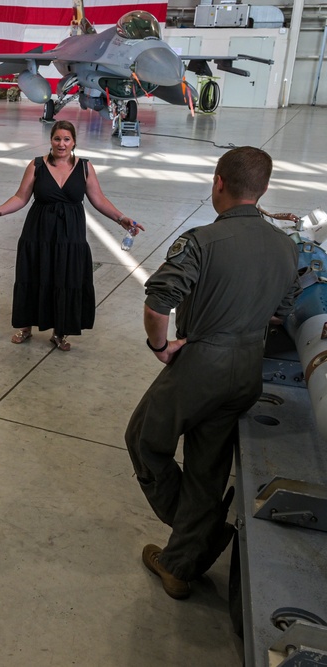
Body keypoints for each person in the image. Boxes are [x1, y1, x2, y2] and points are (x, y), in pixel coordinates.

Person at [124, 146, 299, 600]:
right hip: (248, 368)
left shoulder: (201, 240)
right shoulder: (285, 245)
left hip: (203, 363)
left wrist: (160, 347)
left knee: (144, 441)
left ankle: (196, 534)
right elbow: (283, 312)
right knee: (207, 467)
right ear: (262, 190)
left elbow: (158, 302)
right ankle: (180, 566)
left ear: (219, 182)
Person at [0, 120, 141, 351]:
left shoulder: (85, 167)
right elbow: (21, 197)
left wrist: (121, 218)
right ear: (51, 140)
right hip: (38, 232)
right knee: (33, 276)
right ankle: (25, 327)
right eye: (57, 139)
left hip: (71, 235)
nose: (61, 144)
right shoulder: (36, 165)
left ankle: (59, 332)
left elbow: (98, 199)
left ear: (74, 142)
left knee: (66, 279)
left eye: (66, 139)